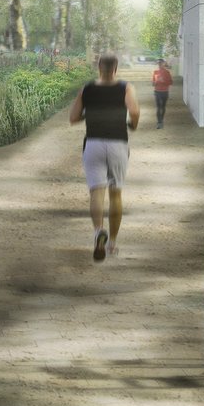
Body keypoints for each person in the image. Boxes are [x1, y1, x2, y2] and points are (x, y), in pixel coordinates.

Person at [68, 53, 139, 261]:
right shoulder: (126, 87)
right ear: (116, 68)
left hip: (93, 144)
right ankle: (113, 244)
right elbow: (134, 112)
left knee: (96, 193)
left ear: (98, 67)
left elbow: (73, 118)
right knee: (115, 194)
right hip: (118, 143)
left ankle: (99, 231)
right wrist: (132, 124)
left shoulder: (87, 89)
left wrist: (88, 114)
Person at [150, 60, 173, 129]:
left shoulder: (167, 72)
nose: (159, 64)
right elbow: (153, 83)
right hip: (157, 91)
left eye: (161, 63)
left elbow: (171, 82)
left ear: (163, 64)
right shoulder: (155, 72)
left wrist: (164, 81)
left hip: (165, 92)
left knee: (163, 107)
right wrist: (155, 83)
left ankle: (161, 120)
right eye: (158, 63)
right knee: (158, 107)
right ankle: (159, 122)